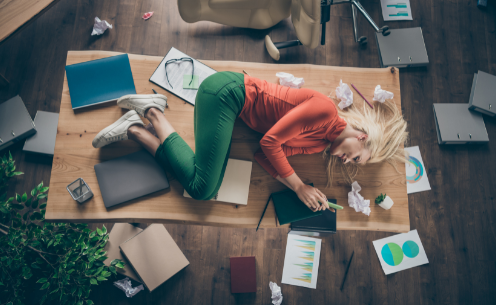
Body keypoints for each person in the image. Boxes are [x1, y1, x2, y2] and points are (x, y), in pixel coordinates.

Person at [92, 71, 408, 212]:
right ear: (361, 137)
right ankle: (149, 114)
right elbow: (271, 142)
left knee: (205, 189)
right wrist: (299, 186)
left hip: (233, 111)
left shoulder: (318, 145)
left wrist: (302, 192)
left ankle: (139, 125)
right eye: (356, 157)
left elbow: (261, 156)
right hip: (227, 94)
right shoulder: (325, 111)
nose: (347, 162)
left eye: (353, 164)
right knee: (202, 189)